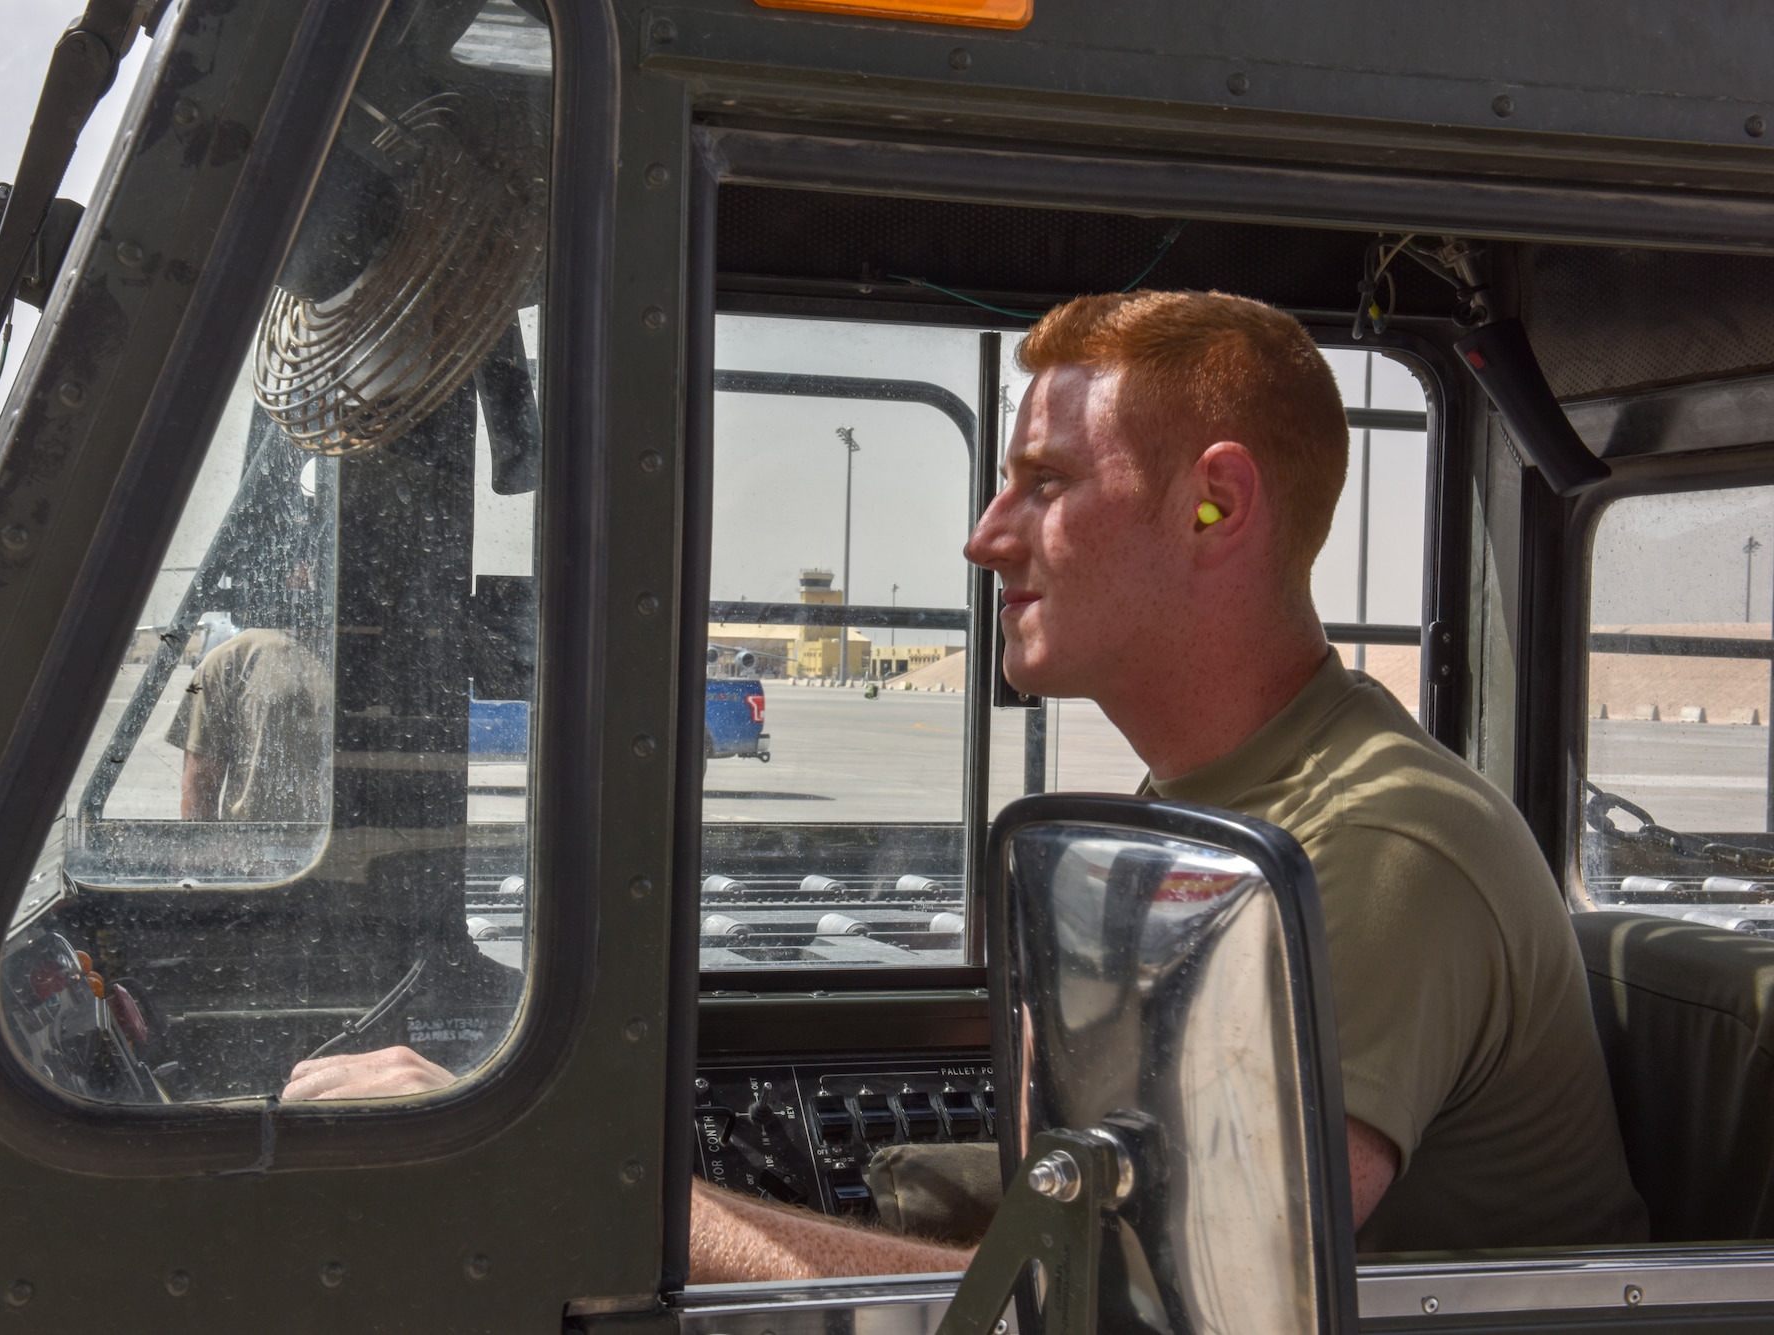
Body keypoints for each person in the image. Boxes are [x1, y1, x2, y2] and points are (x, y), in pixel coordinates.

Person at [284, 289, 1649, 1272]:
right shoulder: (1221, 806)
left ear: (1218, 504)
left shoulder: (1372, 846)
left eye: (1043, 481)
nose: (985, 535)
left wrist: (573, 1185)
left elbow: (1132, 1308)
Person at [168, 625, 333, 821]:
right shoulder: (231, 658)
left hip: (253, 839)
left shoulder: (231, 656)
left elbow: (200, 785)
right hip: (258, 841)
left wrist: (208, 847)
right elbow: (200, 784)